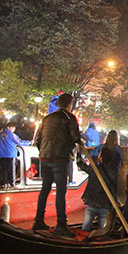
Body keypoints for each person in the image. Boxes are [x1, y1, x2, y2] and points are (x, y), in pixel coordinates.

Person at [32, 93, 81, 237]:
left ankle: (38, 220)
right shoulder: (69, 118)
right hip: (59, 158)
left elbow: (38, 139)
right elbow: (76, 136)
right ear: (69, 104)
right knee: (60, 191)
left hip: (45, 157)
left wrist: (44, 153)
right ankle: (61, 224)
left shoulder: (47, 118)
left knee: (45, 188)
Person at [77, 142, 119, 232]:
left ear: (101, 158)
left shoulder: (94, 169)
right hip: (104, 205)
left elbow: (81, 165)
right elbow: (114, 191)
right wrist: (115, 204)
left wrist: (78, 155)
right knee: (102, 231)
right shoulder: (113, 173)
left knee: (84, 230)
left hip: (92, 202)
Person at [0, 121, 30, 188]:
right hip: (11, 154)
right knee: (12, 170)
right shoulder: (12, 135)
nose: (14, 129)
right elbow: (19, 142)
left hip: (3, 155)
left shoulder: (1, 134)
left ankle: (5, 183)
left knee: (4, 170)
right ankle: (12, 184)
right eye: (13, 128)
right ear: (8, 127)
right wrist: (29, 142)